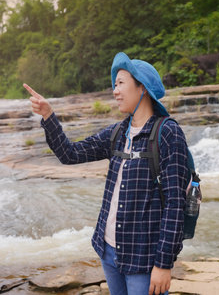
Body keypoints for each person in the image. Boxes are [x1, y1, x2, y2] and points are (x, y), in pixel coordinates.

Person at [24, 52, 189, 295]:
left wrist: (164, 263)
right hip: (109, 251)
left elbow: (175, 204)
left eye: (121, 83)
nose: (115, 90)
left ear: (142, 87)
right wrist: (49, 116)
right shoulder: (117, 133)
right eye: (114, 84)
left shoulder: (168, 133)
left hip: (143, 258)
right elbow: (70, 154)